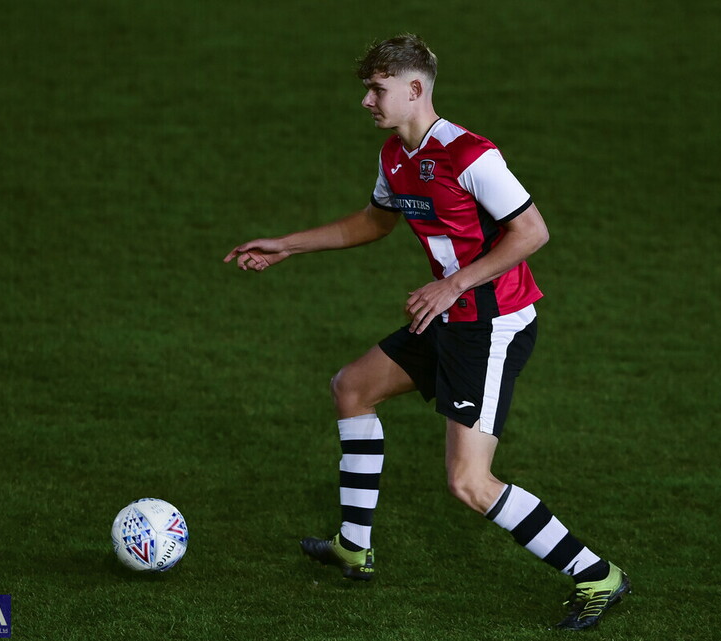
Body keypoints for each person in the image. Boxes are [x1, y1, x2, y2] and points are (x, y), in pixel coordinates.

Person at [223, 34, 630, 631]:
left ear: (415, 89)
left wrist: (455, 284)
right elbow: (375, 221)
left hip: (490, 324)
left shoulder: (472, 156)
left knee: (469, 482)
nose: (367, 100)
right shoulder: (395, 155)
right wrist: (287, 245)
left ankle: (597, 575)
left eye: (377, 89)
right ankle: (353, 546)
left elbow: (533, 232)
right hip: (446, 314)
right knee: (352, 388)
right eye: (367, 88)